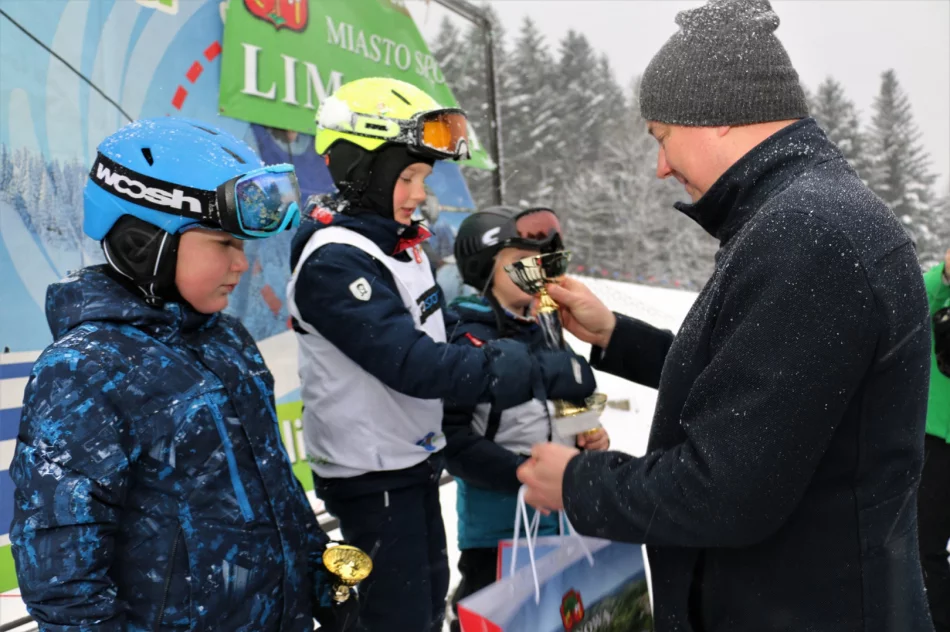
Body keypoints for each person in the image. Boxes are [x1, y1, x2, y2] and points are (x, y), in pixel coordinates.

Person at [515, 1, 934, 630]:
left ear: (715, 116)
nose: (659, 166)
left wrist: (580, 485)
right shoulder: (802, 217)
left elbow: (730, 488)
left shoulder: (809, 235)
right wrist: (615, 336)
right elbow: (756, 388)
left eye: (660, 136)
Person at [9, 118, 355, 631]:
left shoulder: (227, 339)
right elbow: (62, 571)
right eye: (224, 244)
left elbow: (274, 484)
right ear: (142, 243)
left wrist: (318, 577)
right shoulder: (86, 370)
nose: (242, 264)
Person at [287, 77, 596, 632]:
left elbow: (442, 333)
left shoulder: (397, 245)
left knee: (424, 609)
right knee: (394, 617)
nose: (418, 194)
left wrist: (511, 354)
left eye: (423, 179)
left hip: (407, 464)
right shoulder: (335, 262)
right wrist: (533, 371)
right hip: (369, 476)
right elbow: (414, 364)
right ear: (360, 169)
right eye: (407, 177)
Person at [443, 206, 611, 632]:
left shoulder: (546, 326)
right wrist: (521, 473)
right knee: (502, 617)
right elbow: (453, 440)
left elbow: (570, 396)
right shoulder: (466, 338)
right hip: (497, 529)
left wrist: (586, 432)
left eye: (539, 259)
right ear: (483, 267)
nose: (533, 270)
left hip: (561, 519)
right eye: (518, 261)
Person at [919, 247, 950, 631]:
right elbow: (921, 299)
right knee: (923, 546)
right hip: (934, 440)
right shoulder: (938, 294)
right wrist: (944, 274)